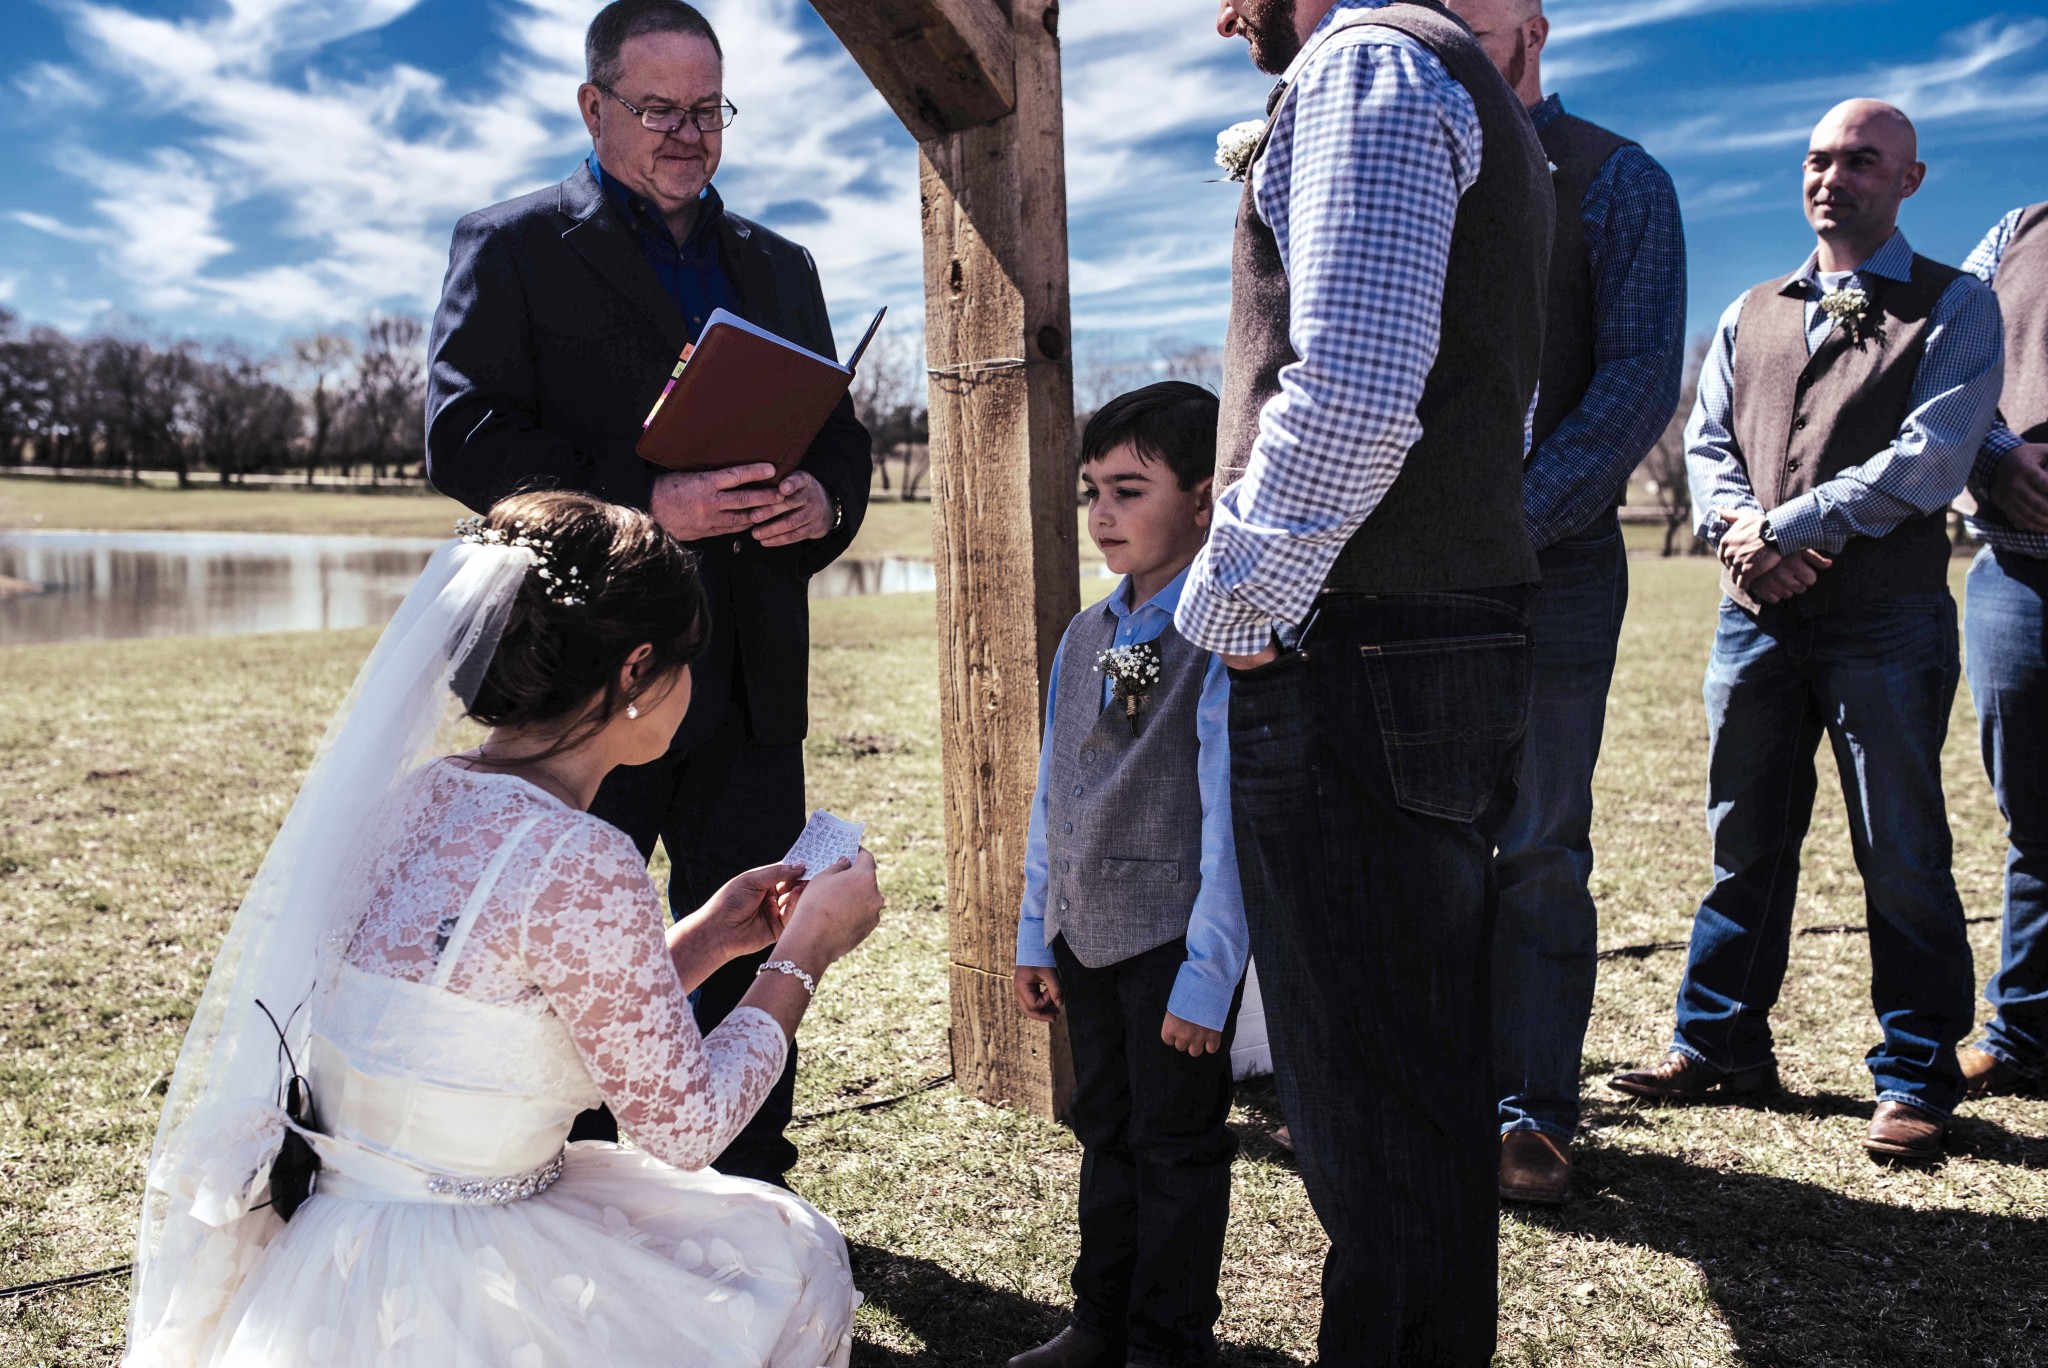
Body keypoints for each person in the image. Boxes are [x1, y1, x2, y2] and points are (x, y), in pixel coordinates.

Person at [125, 491, 885, 1366]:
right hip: (459, 1267)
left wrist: (713, 938)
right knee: (785, 1259)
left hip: (333, 1244)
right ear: (637, 670)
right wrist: (803, 954)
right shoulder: (581, 857)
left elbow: (494, 1029)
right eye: (688, 663)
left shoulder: (417, 797)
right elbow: (687, 1128)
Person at [424, 0, 872, 1187]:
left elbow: (844, 442)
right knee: (575, 979)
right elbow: (462, 437)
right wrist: (645, 502)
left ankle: (745, 1204)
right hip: (586, 683)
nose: (687, 133)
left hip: (751, 677)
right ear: (592, 106)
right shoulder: (511, 243)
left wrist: (820, 507)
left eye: (707, 110)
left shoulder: (783, 264)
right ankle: (578, 1218)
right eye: (658, 108)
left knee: (745, 945)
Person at [1191, 1, 1551, 1361]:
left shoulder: (1368, 64)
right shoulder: (1465, 87)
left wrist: (1235, 598)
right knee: (1417, 1073)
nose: (1225, 13)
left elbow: (1351, 384)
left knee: (1372, 1100)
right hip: (1428, 626)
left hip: (1359, 635)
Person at [1609, 102, 2005, 1163]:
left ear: (1908, 180)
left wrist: (1785, 526)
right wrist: (1741, 537)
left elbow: (1931, 457)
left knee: (1901, 852)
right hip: (1754, 622)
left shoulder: (1956, 306)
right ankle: (1721, 1042)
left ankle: (1916, 1071)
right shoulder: (1749, 312)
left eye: (1860, 161)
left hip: (1885, 620)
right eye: (1818, 159)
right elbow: (1705, 446)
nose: (1832, 177)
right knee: (1742, 840)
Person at [1444, 0, 1687, 1206]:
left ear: (1531, 29)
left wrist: (1508, 523)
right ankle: (1426, 1090)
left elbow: (1639, 381)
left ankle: (1528, 1109)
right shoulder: (1405, 157)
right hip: (1413, 566)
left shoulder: (1615, 178)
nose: (1437, 35)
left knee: (1536, 842)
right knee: (1423, 838)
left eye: (1468, 20)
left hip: (1557, 560)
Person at [1006, 384, 1250, 1368]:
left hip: (1170, 946)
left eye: (1128, 490)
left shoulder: (1221, 635)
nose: (1101, 514)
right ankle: (1097, 1324)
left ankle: (1164, 1343)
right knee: (1105, 1133)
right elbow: (1069, 785)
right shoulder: (1096, 636)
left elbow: (1232, 827)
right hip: (1085, 936)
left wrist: (1207, 977)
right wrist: (1035, 930)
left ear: (1201, 500)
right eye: (1091, 491)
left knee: (1175, 1152)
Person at [1957, 203, 2048, 1099]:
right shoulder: (2018, 229)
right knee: (2036, 823)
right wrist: (1996, 461)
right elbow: (1953, 369)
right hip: (2019, 574)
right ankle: (2024, 1030)